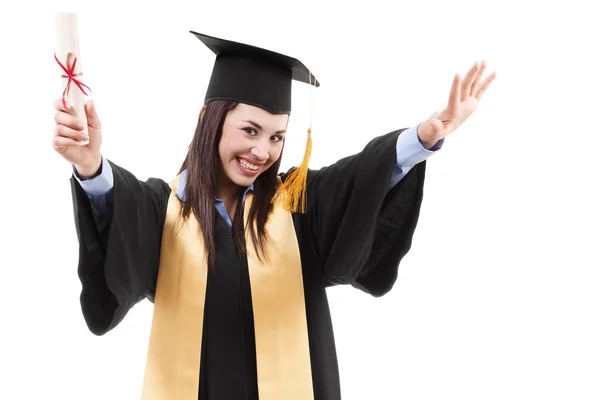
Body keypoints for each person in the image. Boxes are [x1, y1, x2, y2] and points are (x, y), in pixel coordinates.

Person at [52, 31, 496, 400]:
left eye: (277, 136)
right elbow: (120, 214)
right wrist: (90, 167)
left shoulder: (298, 207)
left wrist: (424, 136)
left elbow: (364, 175)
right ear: (210, 118)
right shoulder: (164, 211)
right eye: (249, 130)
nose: (262, 152)